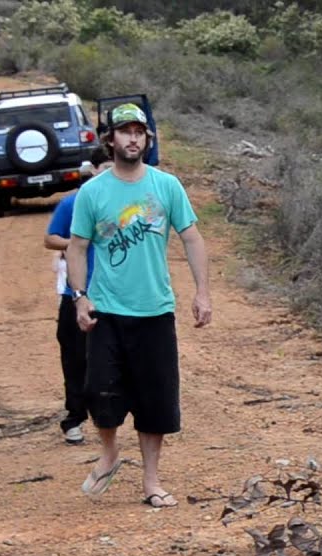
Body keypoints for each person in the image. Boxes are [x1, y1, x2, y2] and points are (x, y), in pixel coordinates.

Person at [68, 103, 213, 508]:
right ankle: (110, 453)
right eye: (125, 132)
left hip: (155, 311)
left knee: (155, 400)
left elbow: (193, 239)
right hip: (107, 312)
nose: (133, 138)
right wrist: (80, 298)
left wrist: (202, 292)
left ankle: (151, 482)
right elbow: (77, 248)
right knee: (100, 391)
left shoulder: (167, 186)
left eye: (140, 132)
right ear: (110, 140)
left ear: (147, 139)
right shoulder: (92, 192)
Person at [44, 148, 112, 444]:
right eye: (105, 166)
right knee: (74, 357)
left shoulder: (120, 204)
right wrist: (78, 242)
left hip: (113, 294)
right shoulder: (73, 202)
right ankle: (74, 418)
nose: (110, 172)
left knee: (108, 359)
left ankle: (107, 416)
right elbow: (50, 238)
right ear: (93, 168)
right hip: (76, 292)